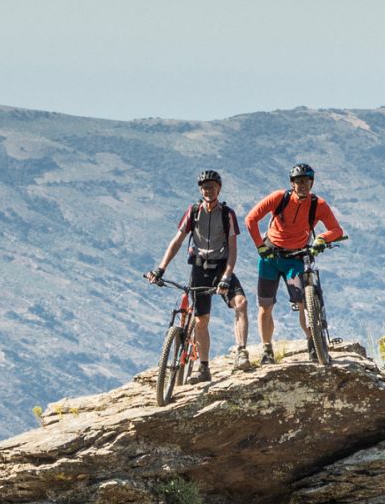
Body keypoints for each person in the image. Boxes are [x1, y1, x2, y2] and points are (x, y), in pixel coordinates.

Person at [145, 170, 250, 381]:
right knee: (201, 320)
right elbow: (177, 242)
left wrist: (226, 277)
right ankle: (203, 368)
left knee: (241, 303)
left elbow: (232, 249)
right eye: (204, 187)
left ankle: (241, 353)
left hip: (221, 267)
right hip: (199, 269)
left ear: (219, 188)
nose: (208, 190)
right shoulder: (193, 212)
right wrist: (160, 268)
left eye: (211, 186)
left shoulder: (226, 214)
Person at [245, 163, 345, 363]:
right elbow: (251, 219)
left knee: (303, 303)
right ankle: (267, 350)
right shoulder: (279, 198)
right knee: (265, 306)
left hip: (296, 259)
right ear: (292, 183)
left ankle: (313, 344)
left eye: (306, 181)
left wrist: (322, 238)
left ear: (312, 183)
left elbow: (337, 230)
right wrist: (260, 246)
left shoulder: (318, 205)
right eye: (298, 182)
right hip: (270, 258)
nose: (303, 185)